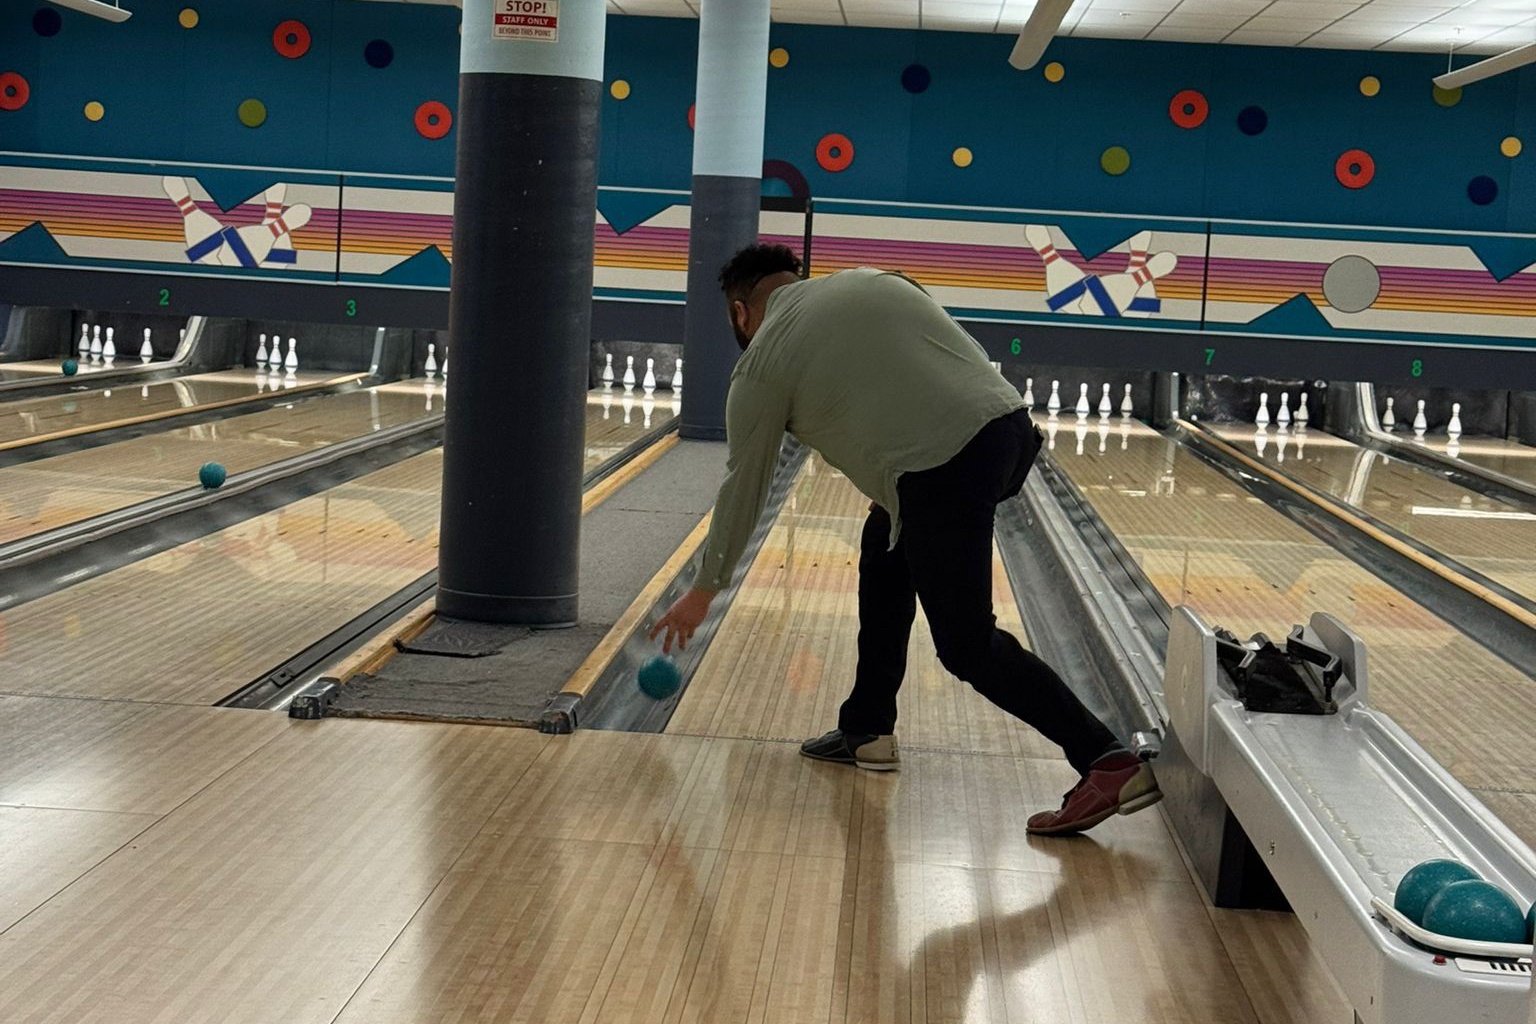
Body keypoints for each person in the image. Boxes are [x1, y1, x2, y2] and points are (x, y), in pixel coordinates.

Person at [650, 243, 1160, 835]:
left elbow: (745, 487)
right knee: (885, 543)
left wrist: (704, 588)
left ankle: (1106, 760)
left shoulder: (761, 363)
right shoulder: (876, 280)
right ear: (797, 280)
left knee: (966, 645)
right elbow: (938, 365)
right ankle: (867, 728)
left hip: (942, 468)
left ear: (741, 312)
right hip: (1010, 430)